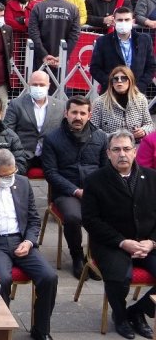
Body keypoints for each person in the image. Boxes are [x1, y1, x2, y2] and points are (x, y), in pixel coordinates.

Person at [0, 149, 58, 340]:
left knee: (49, 277)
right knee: (2, 280)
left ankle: (41, 330)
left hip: (20, 240)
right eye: (5, 175)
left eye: (13, 172)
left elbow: (33, 219)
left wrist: (29, 241)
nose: (10, 178)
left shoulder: (22, 183)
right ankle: (0, 331)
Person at [83, 130, 156, 339]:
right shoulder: (95, 180)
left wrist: (151, 242)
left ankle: (138, 311)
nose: (121, 154)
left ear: (135, 152)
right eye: (116, 150)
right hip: (112, 244)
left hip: (148, 243)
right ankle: (121, 317)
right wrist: (123, 242)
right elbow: (91, 220)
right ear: (108, 153)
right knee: (119, 277)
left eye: (126, 149)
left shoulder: (152, 178)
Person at [41, 96, 108, 278]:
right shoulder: (52, 139)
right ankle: (77, 256)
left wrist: (95, 191)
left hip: (94, 191)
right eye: (74, 112)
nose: (78, 117)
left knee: (110, 212)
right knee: (72, 216)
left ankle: (94, 256)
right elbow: (50, 173)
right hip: (66, 191)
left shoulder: (101, 137)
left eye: (82, 113)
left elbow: (106, 169)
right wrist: (76, 191)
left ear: (89, 115)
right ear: (66, 113)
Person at [3, 71, 66, 169]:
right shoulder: (16, 104)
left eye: (42, 85)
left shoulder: (60, 106)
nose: (38, 87)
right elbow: (7, 131)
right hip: (22, 155)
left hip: (49, 155)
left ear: (48, 86)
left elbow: (64, 132)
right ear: (29, 85)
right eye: (35, 84)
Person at [90, 6, 156, 93]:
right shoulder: (103, 41)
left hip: (137, 92)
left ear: (133, 21)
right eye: (120, 20)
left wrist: (140, 86)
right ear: (114, 22)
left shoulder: (144, 40)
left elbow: (151, 66)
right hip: (111, 92)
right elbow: (95, 68)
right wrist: (112, 84)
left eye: (127, 19)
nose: (123, 22)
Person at [28, 0, 81, 71]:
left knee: (40, 85)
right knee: (60, 85)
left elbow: (33, 33)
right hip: (60, 60)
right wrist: (63, 55)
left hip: (41, 60)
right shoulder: (73, 9)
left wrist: (44, 55)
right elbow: (74, 35)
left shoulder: (38, 7)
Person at [91, 66, 155, 139]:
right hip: (109, 146)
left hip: (135, 145)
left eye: (124, 78)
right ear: (112, 83)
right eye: (115, 79)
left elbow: (149, 124)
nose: (119, 81)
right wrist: (113, 137)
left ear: (130, 81)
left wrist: (143, 131)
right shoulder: (100, 102)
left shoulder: (141, 100)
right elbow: (93, 129)